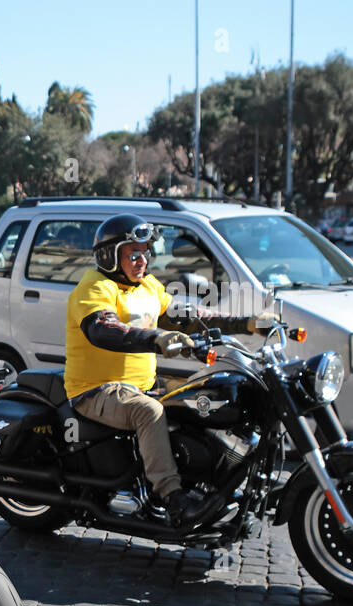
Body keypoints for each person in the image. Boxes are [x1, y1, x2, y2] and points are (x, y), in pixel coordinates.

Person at [64, 214, 268, 525]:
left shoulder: (148, 286)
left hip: (143, 385)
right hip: (96, 389)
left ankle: (208, 478)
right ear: (109, 256)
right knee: (150, 412)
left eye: (145, 252)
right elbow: (103, 329)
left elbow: (187, 315)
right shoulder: (95, 287)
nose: (141, 260)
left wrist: (246, 323)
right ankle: (173, 498)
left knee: (202, 398)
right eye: (133, 253)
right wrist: (157, 337)